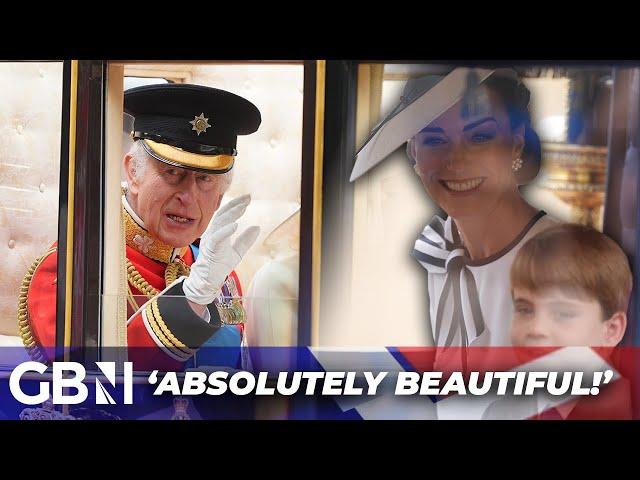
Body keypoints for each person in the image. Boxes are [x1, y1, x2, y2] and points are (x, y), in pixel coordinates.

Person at [18, 83, 261, 371]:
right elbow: (91, 382)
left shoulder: (220, 274)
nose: (188, 196)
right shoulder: (73, 268)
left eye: (205, 180)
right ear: (133, 172)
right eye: (173, 173)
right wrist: (191, 300)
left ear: (220, 195)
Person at [351, 67, 558, 349]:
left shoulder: (563, 262)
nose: (456, 161)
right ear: (414, 152)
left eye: (480, 137)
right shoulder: (440, 249)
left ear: (516, 143)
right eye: (435, 140)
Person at [482, 223, 633, 419]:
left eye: (563, 313)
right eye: (525, 309)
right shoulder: (500, 412)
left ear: (611, 330)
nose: (536, 329)